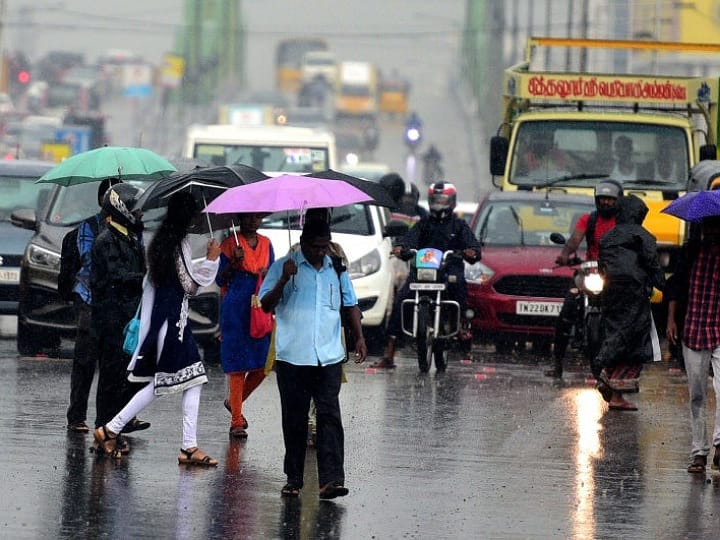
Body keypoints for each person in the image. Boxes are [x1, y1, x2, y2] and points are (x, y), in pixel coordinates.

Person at [93, 192, 221, 465]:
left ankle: (116, 429)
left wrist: (205, 263)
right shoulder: (177, 245)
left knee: (181, 381)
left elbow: (181, 276)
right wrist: (211, 260)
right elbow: (190, 286)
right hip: (172, 326)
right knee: (177, 382)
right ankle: (114, 429)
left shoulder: (163, 242)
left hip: (171, 324)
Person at [259, 219, 367, 499]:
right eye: (316, 247)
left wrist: (359, 336)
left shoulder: (337, 267)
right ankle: (293, 479)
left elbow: (350, 302)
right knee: (294, 420)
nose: (321, 252)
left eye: (325, 246)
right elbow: (265, 305)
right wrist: (283, 279)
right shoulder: (285, 265)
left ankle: (331, 480)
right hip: (293, 356)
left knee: (330, 415)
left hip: (328, 355)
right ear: (304, 243)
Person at [372, 182, 481, 369]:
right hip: (423, 272)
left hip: (448, 271)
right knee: (401, 299)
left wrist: (470, 251)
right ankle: (389, 353)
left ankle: (462, 329)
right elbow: (409, 240)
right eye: (435, 200)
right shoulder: (422, 224)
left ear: (451, 202)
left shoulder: (459, 225)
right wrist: (401, 248)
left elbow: (474, 247)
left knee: (459, 286)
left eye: (443, 200)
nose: (439, 204)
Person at [90, 183, 150, 453]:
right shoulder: (107, 240)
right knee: (111, 378)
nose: (140, 215)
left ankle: (116, 425)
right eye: (136, 211)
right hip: (111, 320)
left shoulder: (129, 237)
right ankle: (105, 429)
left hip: (127, 318)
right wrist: (145, 279)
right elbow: (116, 277)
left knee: (128, 376)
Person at [594, 194, 664, 410]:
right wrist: (664, 285)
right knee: (637, 345)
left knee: (617, 337)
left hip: (610, 296)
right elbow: (653, 268)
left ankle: (607, 377)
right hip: (636, 297)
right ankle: (614, 391)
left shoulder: (606, 238)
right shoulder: (644, 237)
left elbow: (601, 268)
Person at [546, 180, 622, 378]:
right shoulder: (588, 220)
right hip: (589, 272)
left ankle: (624, 365)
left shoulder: (623, 222)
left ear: (618, 201)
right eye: (602, 199)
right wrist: (565, 255)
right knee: (567, 310)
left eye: (610, 199)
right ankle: (557, 364)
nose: (606, 203)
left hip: (614, 275)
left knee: (627, 311)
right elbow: (574, 241)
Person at [666, 216, 720, 474]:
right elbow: (675, 287)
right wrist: (671, 320)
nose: (710, 231)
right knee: (697, 394)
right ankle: (699, 452)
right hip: (694, 329)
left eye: (716, 226)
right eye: (707, 226)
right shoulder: (689, 252)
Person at [66, 177, 119, 433]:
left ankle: (109, 420)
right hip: (89, 300)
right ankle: (76, 416)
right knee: (85, 362)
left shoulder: (130, 228)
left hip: (116, 304)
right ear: (103, 201)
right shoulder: (89, 227)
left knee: (113, 364)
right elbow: (89, 259)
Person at [216, 213, 275, 439]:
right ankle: (236, 420)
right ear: (240, 218)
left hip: (260, 305)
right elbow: (220, 280)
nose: (252, 221)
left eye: (256, 217)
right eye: (248, 217)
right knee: (238, 365)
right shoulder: (229, 244)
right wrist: (234, 263)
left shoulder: (267, 244)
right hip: (236, 308)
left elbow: (273, 274)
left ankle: (234, 402)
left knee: (262, 365)